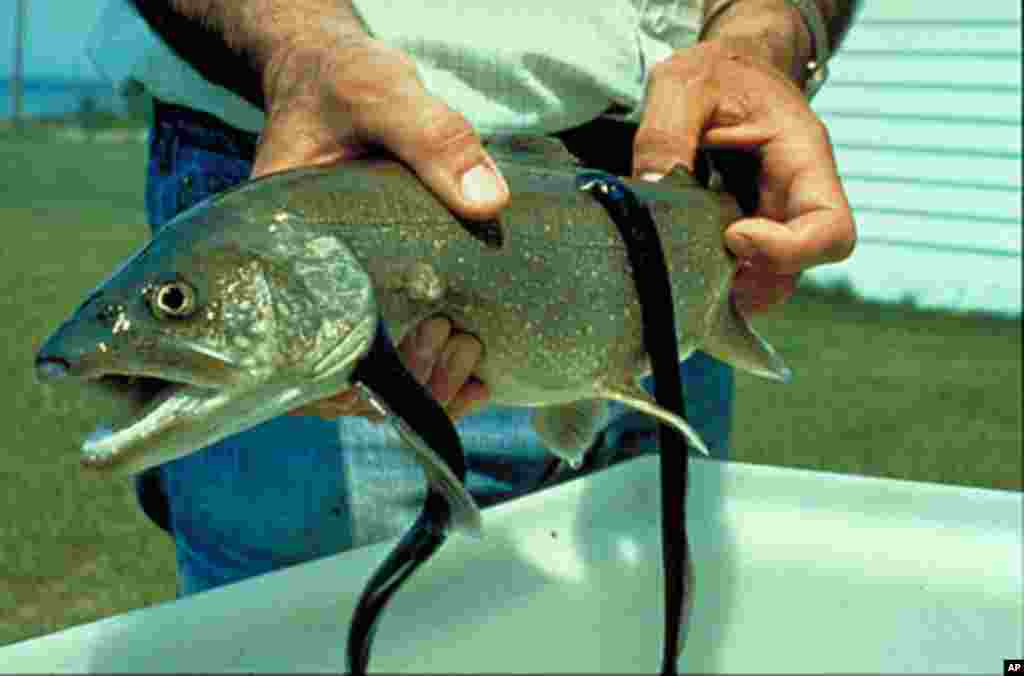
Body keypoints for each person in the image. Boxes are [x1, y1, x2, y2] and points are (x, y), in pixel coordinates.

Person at [86, 0, 859, 595]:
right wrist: (301, 48)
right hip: (313, 154)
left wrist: (765, 37)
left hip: (676, 196)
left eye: (177, 305)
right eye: (178, 304)